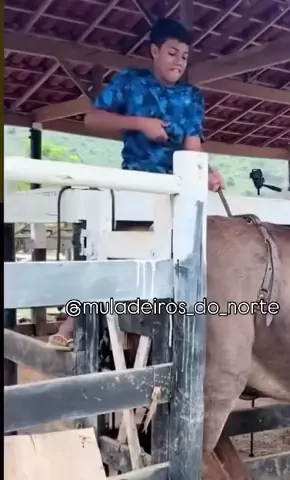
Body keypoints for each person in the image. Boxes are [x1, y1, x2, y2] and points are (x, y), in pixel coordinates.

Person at [48, 17, 223, 350]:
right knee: (110, 254)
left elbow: (192, 147)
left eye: (185, 56)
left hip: (177, 191)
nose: (179, 61)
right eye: (172, 52)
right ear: (154, 51)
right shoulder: (130, 81)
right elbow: (92, 119)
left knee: (188, 261)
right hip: (136, 186)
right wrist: (140, 123)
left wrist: (207, 171)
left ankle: (177, 338)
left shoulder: (192, 96)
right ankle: (71, 325)